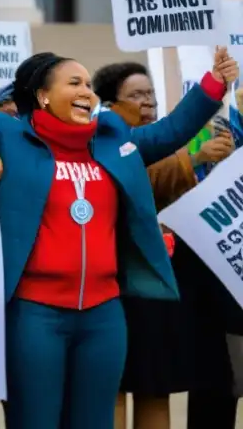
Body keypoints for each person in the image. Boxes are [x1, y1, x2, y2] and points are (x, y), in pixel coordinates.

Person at [0, 47, 238, 429]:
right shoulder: (11, 137)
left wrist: (214, 83)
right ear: (42, 95)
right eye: (74, 83)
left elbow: (171, 131)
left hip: (104, 316)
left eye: (89, 84)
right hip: (35, 314)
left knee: (95, 422)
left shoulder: (112, 140)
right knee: (36, 420)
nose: (87, 92)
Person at [93, 61, 235, 429]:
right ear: (110, 104)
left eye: (151, 94)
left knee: (155, 385)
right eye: (136, 95)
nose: (147, 102)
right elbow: (140, 180)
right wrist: (193, 160)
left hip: (160, 284)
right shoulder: (102, 140)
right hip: (116, 281)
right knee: (115, 385)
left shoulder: (175, 140)